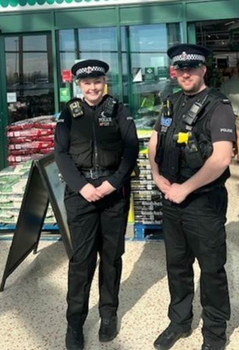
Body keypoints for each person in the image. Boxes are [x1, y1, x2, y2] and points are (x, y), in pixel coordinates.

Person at [148, 44, 234, 350]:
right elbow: (154, 143)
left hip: (203, 204)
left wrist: (186, 188)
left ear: (203, 70)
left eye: (191, 68)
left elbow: (221, 158)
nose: (185, 74)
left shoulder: (218, 105)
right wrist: (158, 177)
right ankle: (179, 322)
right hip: (171, 201)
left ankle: (214, 334)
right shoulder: (170, 103)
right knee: (177, 265)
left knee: (211, 269)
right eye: (180, 69)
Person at [53, 59, 139, 350]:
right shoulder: (69, 114)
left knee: (112, 258)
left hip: (113, 193)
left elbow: (131, 151)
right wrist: (83, 187)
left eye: (97, 81)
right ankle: (74, 323)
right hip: (81, 196)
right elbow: (61, 155)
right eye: (87, 83)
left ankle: (108, 315)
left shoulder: (119, 111)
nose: (92, 87)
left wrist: (112, 183)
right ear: (79, 85)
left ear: (105, 82)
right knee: (82, 260)